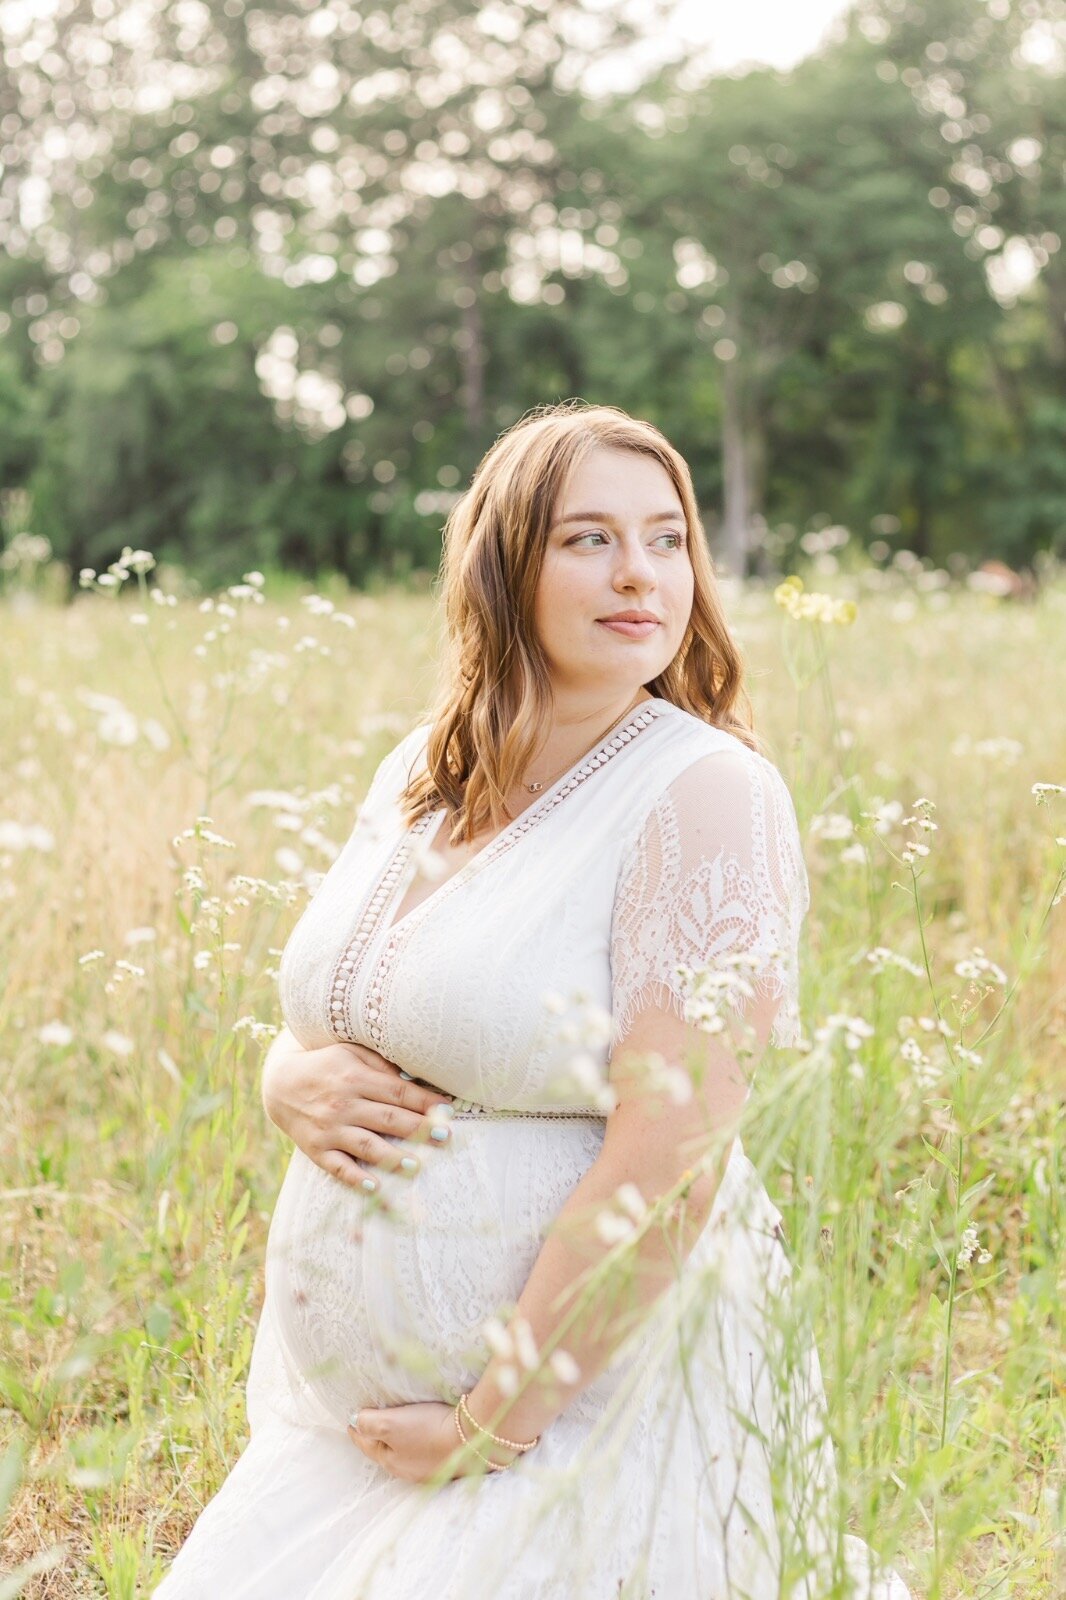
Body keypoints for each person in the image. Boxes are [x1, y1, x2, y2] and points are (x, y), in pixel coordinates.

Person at [154, 402, 912, 1599]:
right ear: (505, 563)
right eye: (587, 539)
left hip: (579, 1420)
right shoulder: (421, 772)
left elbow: (674, 1154)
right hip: (342, 1441)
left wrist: (497, 1415)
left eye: (667, 538)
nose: (638, 574)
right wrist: (282, 1076)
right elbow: (350, 1003)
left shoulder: (706, 792)